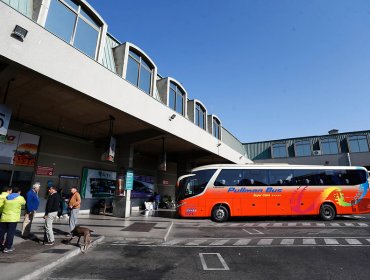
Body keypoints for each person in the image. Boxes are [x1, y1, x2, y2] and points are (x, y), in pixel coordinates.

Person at [0, 187, 26, 253]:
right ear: (19, 192)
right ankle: (8, 247)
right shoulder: (20, 198)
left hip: (4, 217)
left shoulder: (7, 197)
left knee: (1, 232)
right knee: (10, 233)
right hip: (13, 218)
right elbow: (24, 203)